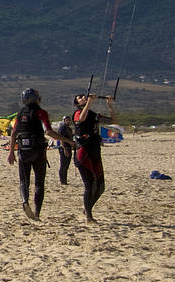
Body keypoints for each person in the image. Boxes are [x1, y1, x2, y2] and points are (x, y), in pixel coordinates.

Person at [7, 89, 72, 221]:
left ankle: (25, 201)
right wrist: (68, 141)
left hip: (23, 151)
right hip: (38, 151)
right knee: (39, 183)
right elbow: (49, 132)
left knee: (24, 181)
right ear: (37, 99)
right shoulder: (41, 112)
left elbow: (14, 134)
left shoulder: (20, 114)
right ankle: (37, 213)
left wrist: (11, 153)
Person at [73, 92, 115, 223]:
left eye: (84, 96)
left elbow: (113, 121)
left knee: (101, 186)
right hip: (83, 152)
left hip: (95, 151)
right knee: (89, 185)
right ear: (76, 103)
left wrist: (110, 105)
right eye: (80, 97)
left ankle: (88, 207)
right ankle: (89, 216)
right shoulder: (77, 113)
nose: (83, 98)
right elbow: (81, 119)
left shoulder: (94, 115)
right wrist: (89, 102)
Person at [56, 115, 74, 185]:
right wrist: (64, 148)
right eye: (67, 120)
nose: (68, 121)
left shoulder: (69, 129)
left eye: (69, 120)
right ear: (64, 121)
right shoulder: (62, 128)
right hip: (64, 148)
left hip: (69, 147)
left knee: (67, 165)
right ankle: (62, 181)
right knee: (63, 165)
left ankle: (65, 180)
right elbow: (61, 139)